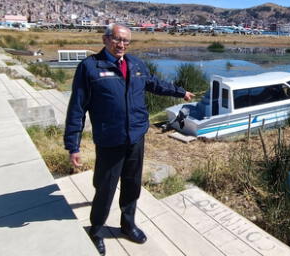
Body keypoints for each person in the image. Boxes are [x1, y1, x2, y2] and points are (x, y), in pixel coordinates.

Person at [64, 23, 194, 255]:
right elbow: (77, 107)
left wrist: (179, 91)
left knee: (132, 184)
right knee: (105, 187)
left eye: (126, 41)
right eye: (117, 39)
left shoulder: (135, 64)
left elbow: (154, 83)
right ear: (105, 39)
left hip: (136, 137)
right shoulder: (90, 67)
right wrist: (72, 145)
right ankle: (96, 229)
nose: (121, 44)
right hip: (110, 140)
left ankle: (127, 224)